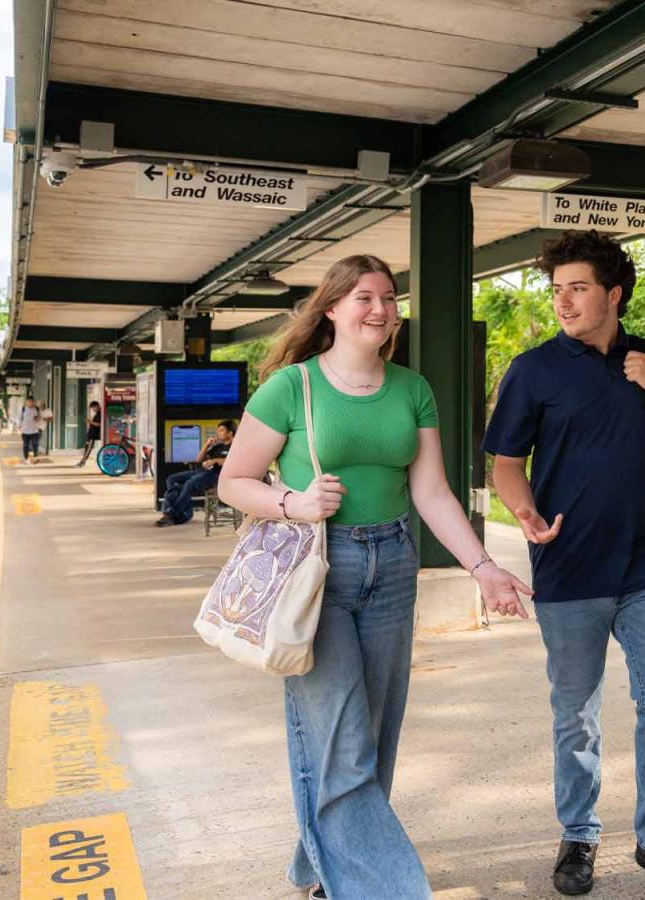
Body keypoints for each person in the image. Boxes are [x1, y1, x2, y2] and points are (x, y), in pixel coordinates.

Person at [218, 254, 532, 900]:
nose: (381, 309)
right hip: (318, 568)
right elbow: (233, 481)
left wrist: (483, 568)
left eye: (389, 298)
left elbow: (432, 492)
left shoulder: (412, 389)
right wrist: (294, 503)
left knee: (377, 730)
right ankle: (383, 889)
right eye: (364, 297)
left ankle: (322, 867)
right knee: (342, 736)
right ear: (332, 307)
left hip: (392, 562)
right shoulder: (292, 388)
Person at [483, 231, 645, 899]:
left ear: (614, 294)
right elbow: (506, 465)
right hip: (568, 568)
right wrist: (524, 512)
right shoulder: (533, 370)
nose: (563, 301)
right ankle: (579, 835)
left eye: (577, 288)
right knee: (575, 715)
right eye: (557, 290)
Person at [155, 420, 235, 527]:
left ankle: (171, 514)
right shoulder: (218, 447)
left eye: (221, 430)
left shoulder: (235, 447)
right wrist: (207, 445)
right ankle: (184, 514)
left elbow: (235, 461)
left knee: (189, 483)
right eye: (218, 430)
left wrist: (215, 461)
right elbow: (199, 459)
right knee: (172, 479)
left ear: (230, 433)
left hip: (216, 475)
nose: (218, 433)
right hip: (202, 471)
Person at [77, 400, 101, 468]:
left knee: (88, 448)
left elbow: (100, 424)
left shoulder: (100, 414)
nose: (93, 410)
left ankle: (82, 462)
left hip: (94, 434)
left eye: (94, 408)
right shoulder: (97, 414)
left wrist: (90, 421)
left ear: (97, 406)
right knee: (87, 447)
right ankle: (82, 461)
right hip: (91, 433)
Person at [18, 397, 42, 464]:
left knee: (35, 444)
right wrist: (19, 426)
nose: (30, 403)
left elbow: (40, 417)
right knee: (26, 445)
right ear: (26, 402)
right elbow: (19, 418)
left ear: (34, 402)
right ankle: (26, 458)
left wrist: (38, 419)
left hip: (34, 430)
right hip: (25, 431)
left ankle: (35, 457)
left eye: (32, 401)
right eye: (29, 401)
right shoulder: (23, 409)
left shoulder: (36, 409)